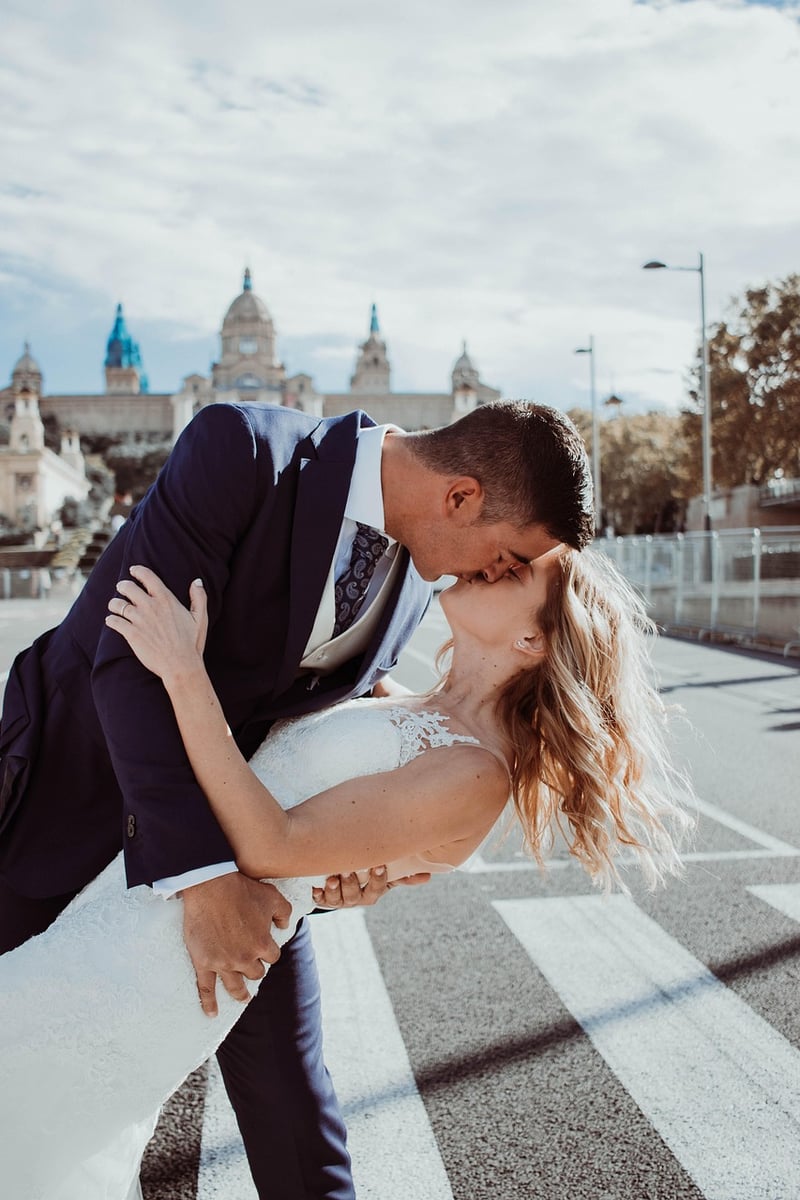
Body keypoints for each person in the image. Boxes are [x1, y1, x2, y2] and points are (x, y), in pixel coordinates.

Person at [0, 399, 594, 1199]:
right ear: (460, 497)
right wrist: (207, 878)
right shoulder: (240, 451)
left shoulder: (425, 572)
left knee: (290, 1101)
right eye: (509, 553)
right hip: (74, 805)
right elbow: (127, 654)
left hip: (254, 856)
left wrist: (366, 848)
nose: (493, 572)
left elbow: (336, 713)